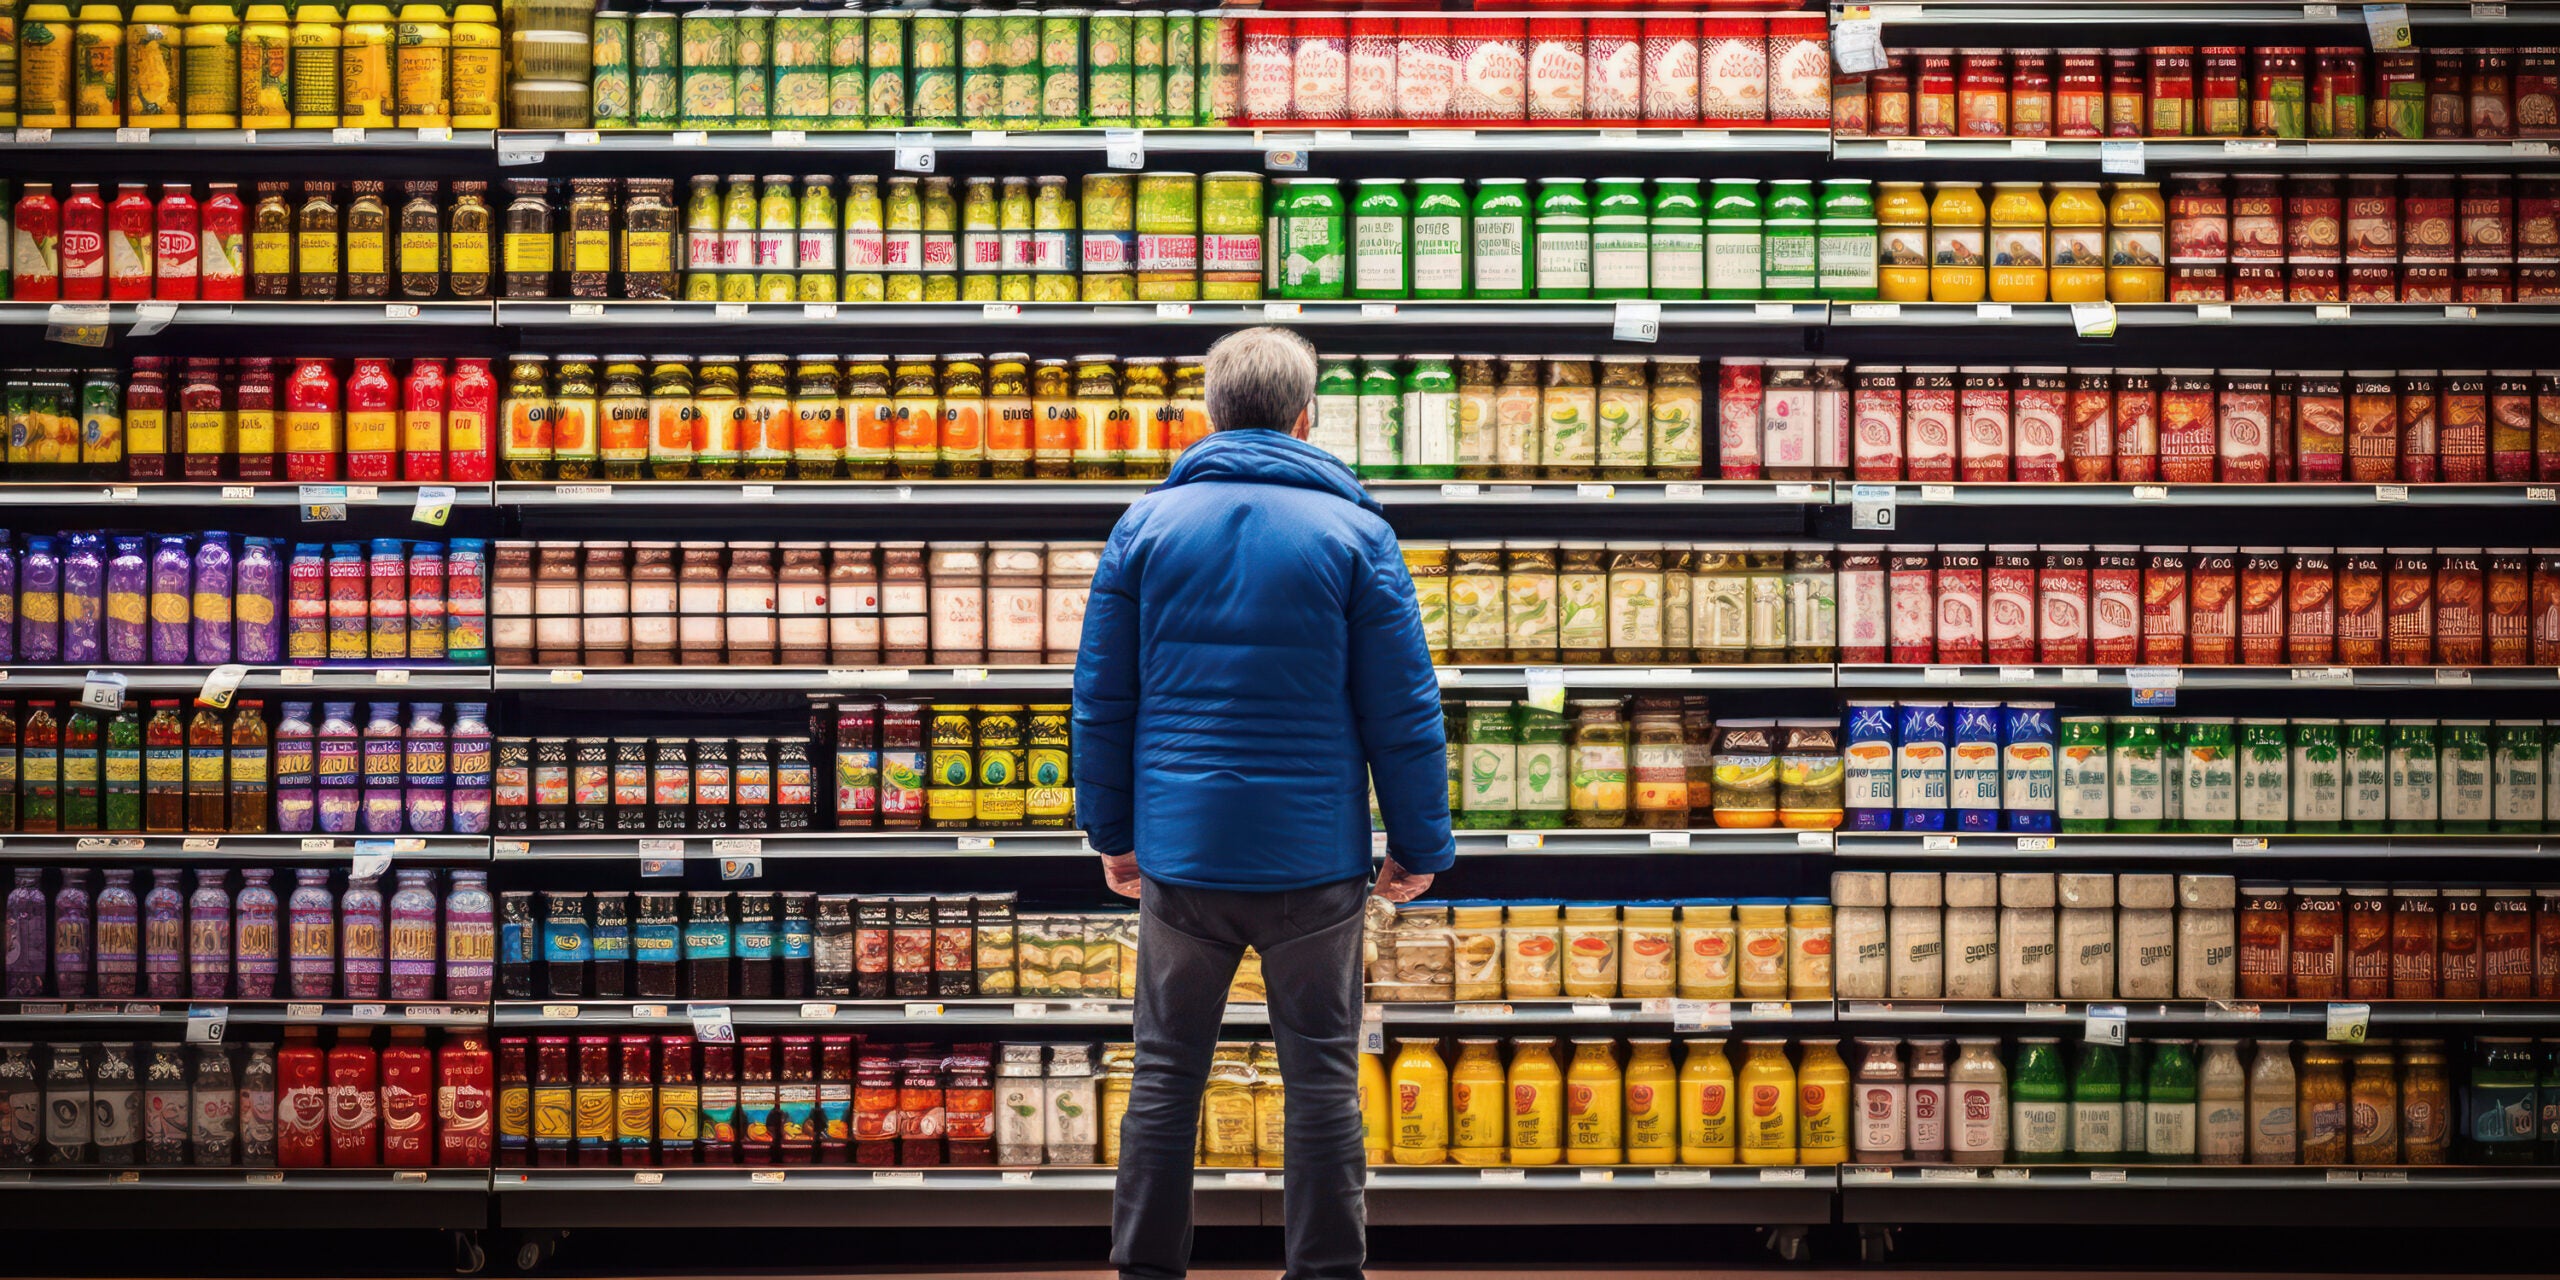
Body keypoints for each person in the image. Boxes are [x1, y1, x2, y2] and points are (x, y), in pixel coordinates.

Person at [1073, 327, 1454, 1280]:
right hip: (1312, 863)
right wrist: (1418, 846)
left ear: (1211, 413)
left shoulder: (1146, 528)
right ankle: (1327, 1272)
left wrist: (1113, 836)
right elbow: (1403, 711)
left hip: (1183, 858)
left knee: (1164, 1072)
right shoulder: (1357, 534)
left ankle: (1145, 1269)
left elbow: (1101, 700)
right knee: (1321, 1075)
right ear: (1305, 416)